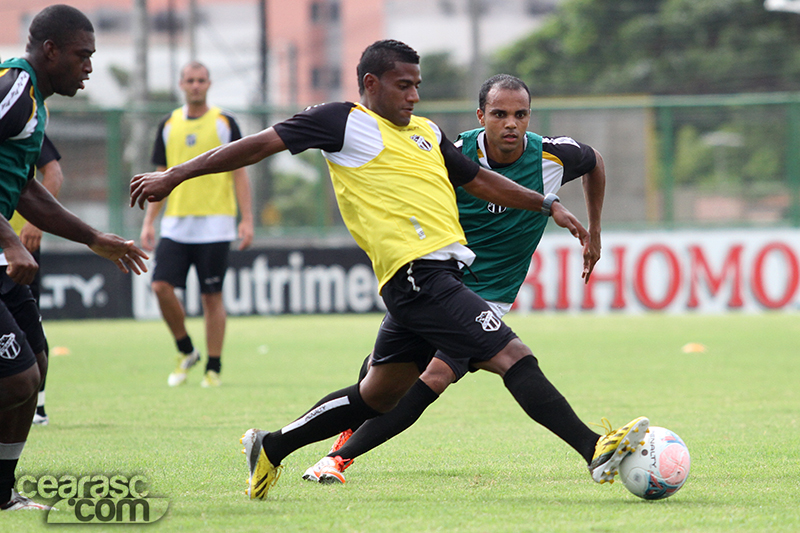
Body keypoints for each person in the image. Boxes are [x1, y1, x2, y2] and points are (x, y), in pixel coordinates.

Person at [130, 40, 647, 500]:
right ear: (371, 84)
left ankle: (272, 446)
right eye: (404, 85)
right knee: (511, 353)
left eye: (418, 85)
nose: (414, 96)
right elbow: (257, 145)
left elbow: (478, 181)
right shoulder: (341, 121)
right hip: (417, 275)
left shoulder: (426, 132)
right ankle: (594, 449)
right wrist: (176, 174)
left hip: (434, 277)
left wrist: (546, 204)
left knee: (378, 393)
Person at [302, 73, 610, 484]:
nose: (511, 124)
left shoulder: (551, 158)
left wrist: (595, 234)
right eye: (499, 114)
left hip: (490, 296)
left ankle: (336, 459)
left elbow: (595, 163)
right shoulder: (452, 155)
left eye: (520, 114)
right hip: (437, 281)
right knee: (383, 376)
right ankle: (344, 430)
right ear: (481, 115)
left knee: (435, 375)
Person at [0, 5, 148, 511]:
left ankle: (2, 494)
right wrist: (10, 242)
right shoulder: (15, 92)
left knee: (34, 366)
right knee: (16, 378)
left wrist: (92, 237)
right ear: (50, 51)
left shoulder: (34, 104)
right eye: (83, 56)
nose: (89, 66)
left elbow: (24, 189)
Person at [140, 61, 253, 388]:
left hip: (216, 225)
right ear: (181, 84)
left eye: (201, 80)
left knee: (211, 296)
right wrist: (150, 220)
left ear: (209, 83)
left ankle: (213, 367)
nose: (195, 85)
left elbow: (240, 173)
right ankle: (186, 350)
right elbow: (160, 177)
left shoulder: (224, 122)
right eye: (190, 80)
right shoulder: (168, 124)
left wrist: (246, 219)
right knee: (160, 287)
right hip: (175, 225)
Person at [8, 135, 64, 426]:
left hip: (21, 247)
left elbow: (53, 171)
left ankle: (38, 406)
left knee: (30, 328)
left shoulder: (23, 122)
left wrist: (35, 221)